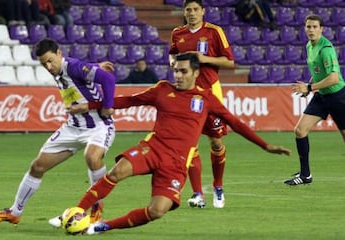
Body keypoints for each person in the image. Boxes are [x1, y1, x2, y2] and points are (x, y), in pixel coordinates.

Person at [67, 52, 291, 234]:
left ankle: (102, 226)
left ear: (195, 72)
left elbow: (235, 122)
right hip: (152, 148)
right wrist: (90, 106)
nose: (178, 75)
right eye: (176, 70)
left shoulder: (206, 99)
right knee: (117, 172)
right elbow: (128, 100)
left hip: (176, 163)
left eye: (183, 71)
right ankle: (76, 211)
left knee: (157, 211)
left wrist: (265, 145)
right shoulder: (162, 89)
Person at [0, 38, 116, 224]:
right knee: (37, 166)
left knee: (92, 157)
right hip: (72, 127)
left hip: (98, 126)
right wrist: (95, 66)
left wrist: (108, 106)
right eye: (43, 64)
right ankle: (14, 212)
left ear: (59, 54)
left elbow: (108, 78)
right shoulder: (61, 68)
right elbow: (85, 72)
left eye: (50, 61)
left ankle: (97, 207)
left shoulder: (72, 67)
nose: (48, 66)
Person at [169, 0, 234, 209]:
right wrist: (173, 62)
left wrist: (204, 58)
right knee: (190, 143)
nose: (192, 13)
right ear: (184, 12)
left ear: (203, 11)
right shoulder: (177, 33)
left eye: (196, 9)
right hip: (186, 95)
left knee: (216, 142)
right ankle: (197, 193)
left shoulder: (215, 32)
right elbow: (172, 52)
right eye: (188, 9)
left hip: (210, 93)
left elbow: (229, 61)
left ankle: (218, 185)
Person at [284, 14, 345, 186]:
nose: (311, 30)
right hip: (321, 96)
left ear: (321, 29)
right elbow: (318, 71)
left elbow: (333, 78)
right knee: (300, 130)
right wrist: (310, 86)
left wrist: (310, 88)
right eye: (308, 27)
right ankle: (305, 175)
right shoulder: (309, 46)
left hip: (338, 97)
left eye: (314, 27)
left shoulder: (326, 49)